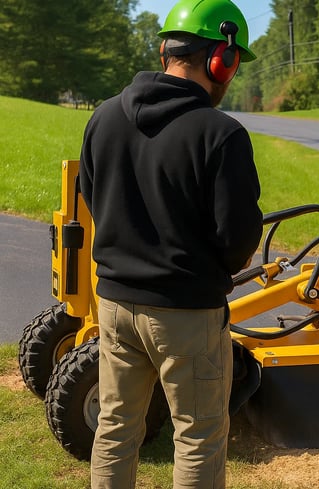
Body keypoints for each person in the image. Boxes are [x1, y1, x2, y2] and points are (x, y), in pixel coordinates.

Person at [78, 0, 263, 487]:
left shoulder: (102, 117)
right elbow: (238, 238)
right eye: (233, 61)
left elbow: (94, 198)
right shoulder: (221, 135)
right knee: (199, 437)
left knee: (116, 429)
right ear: (221, 59)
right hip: (187, 315)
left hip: (115, 305)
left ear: (165, 50)